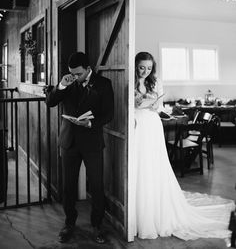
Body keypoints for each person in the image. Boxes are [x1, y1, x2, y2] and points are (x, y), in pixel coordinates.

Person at [132, 51, 234, 241]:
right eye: (141, 67)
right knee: (139, 164)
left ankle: (153, 206)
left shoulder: (156, 82)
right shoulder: (129, 82)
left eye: (149, 68)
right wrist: (135, 103)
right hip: (137, 125)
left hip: (152, 124)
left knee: (154, 164)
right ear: (135, 65)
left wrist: (154, 106)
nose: (145, 71)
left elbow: (160, 107)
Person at [45, 52, 114, 244]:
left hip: (92, 142)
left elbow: (109, 114)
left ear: (88, 69)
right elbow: (50, 102)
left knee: (97, 186)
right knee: (68, 186)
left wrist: (91, 124)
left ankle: (97, 225)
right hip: (69, 141)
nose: (75, 77)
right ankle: (69, 223)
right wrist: (61, 86)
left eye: (78, 74)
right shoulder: (67, 82)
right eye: (72, 74)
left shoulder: (104, 84)